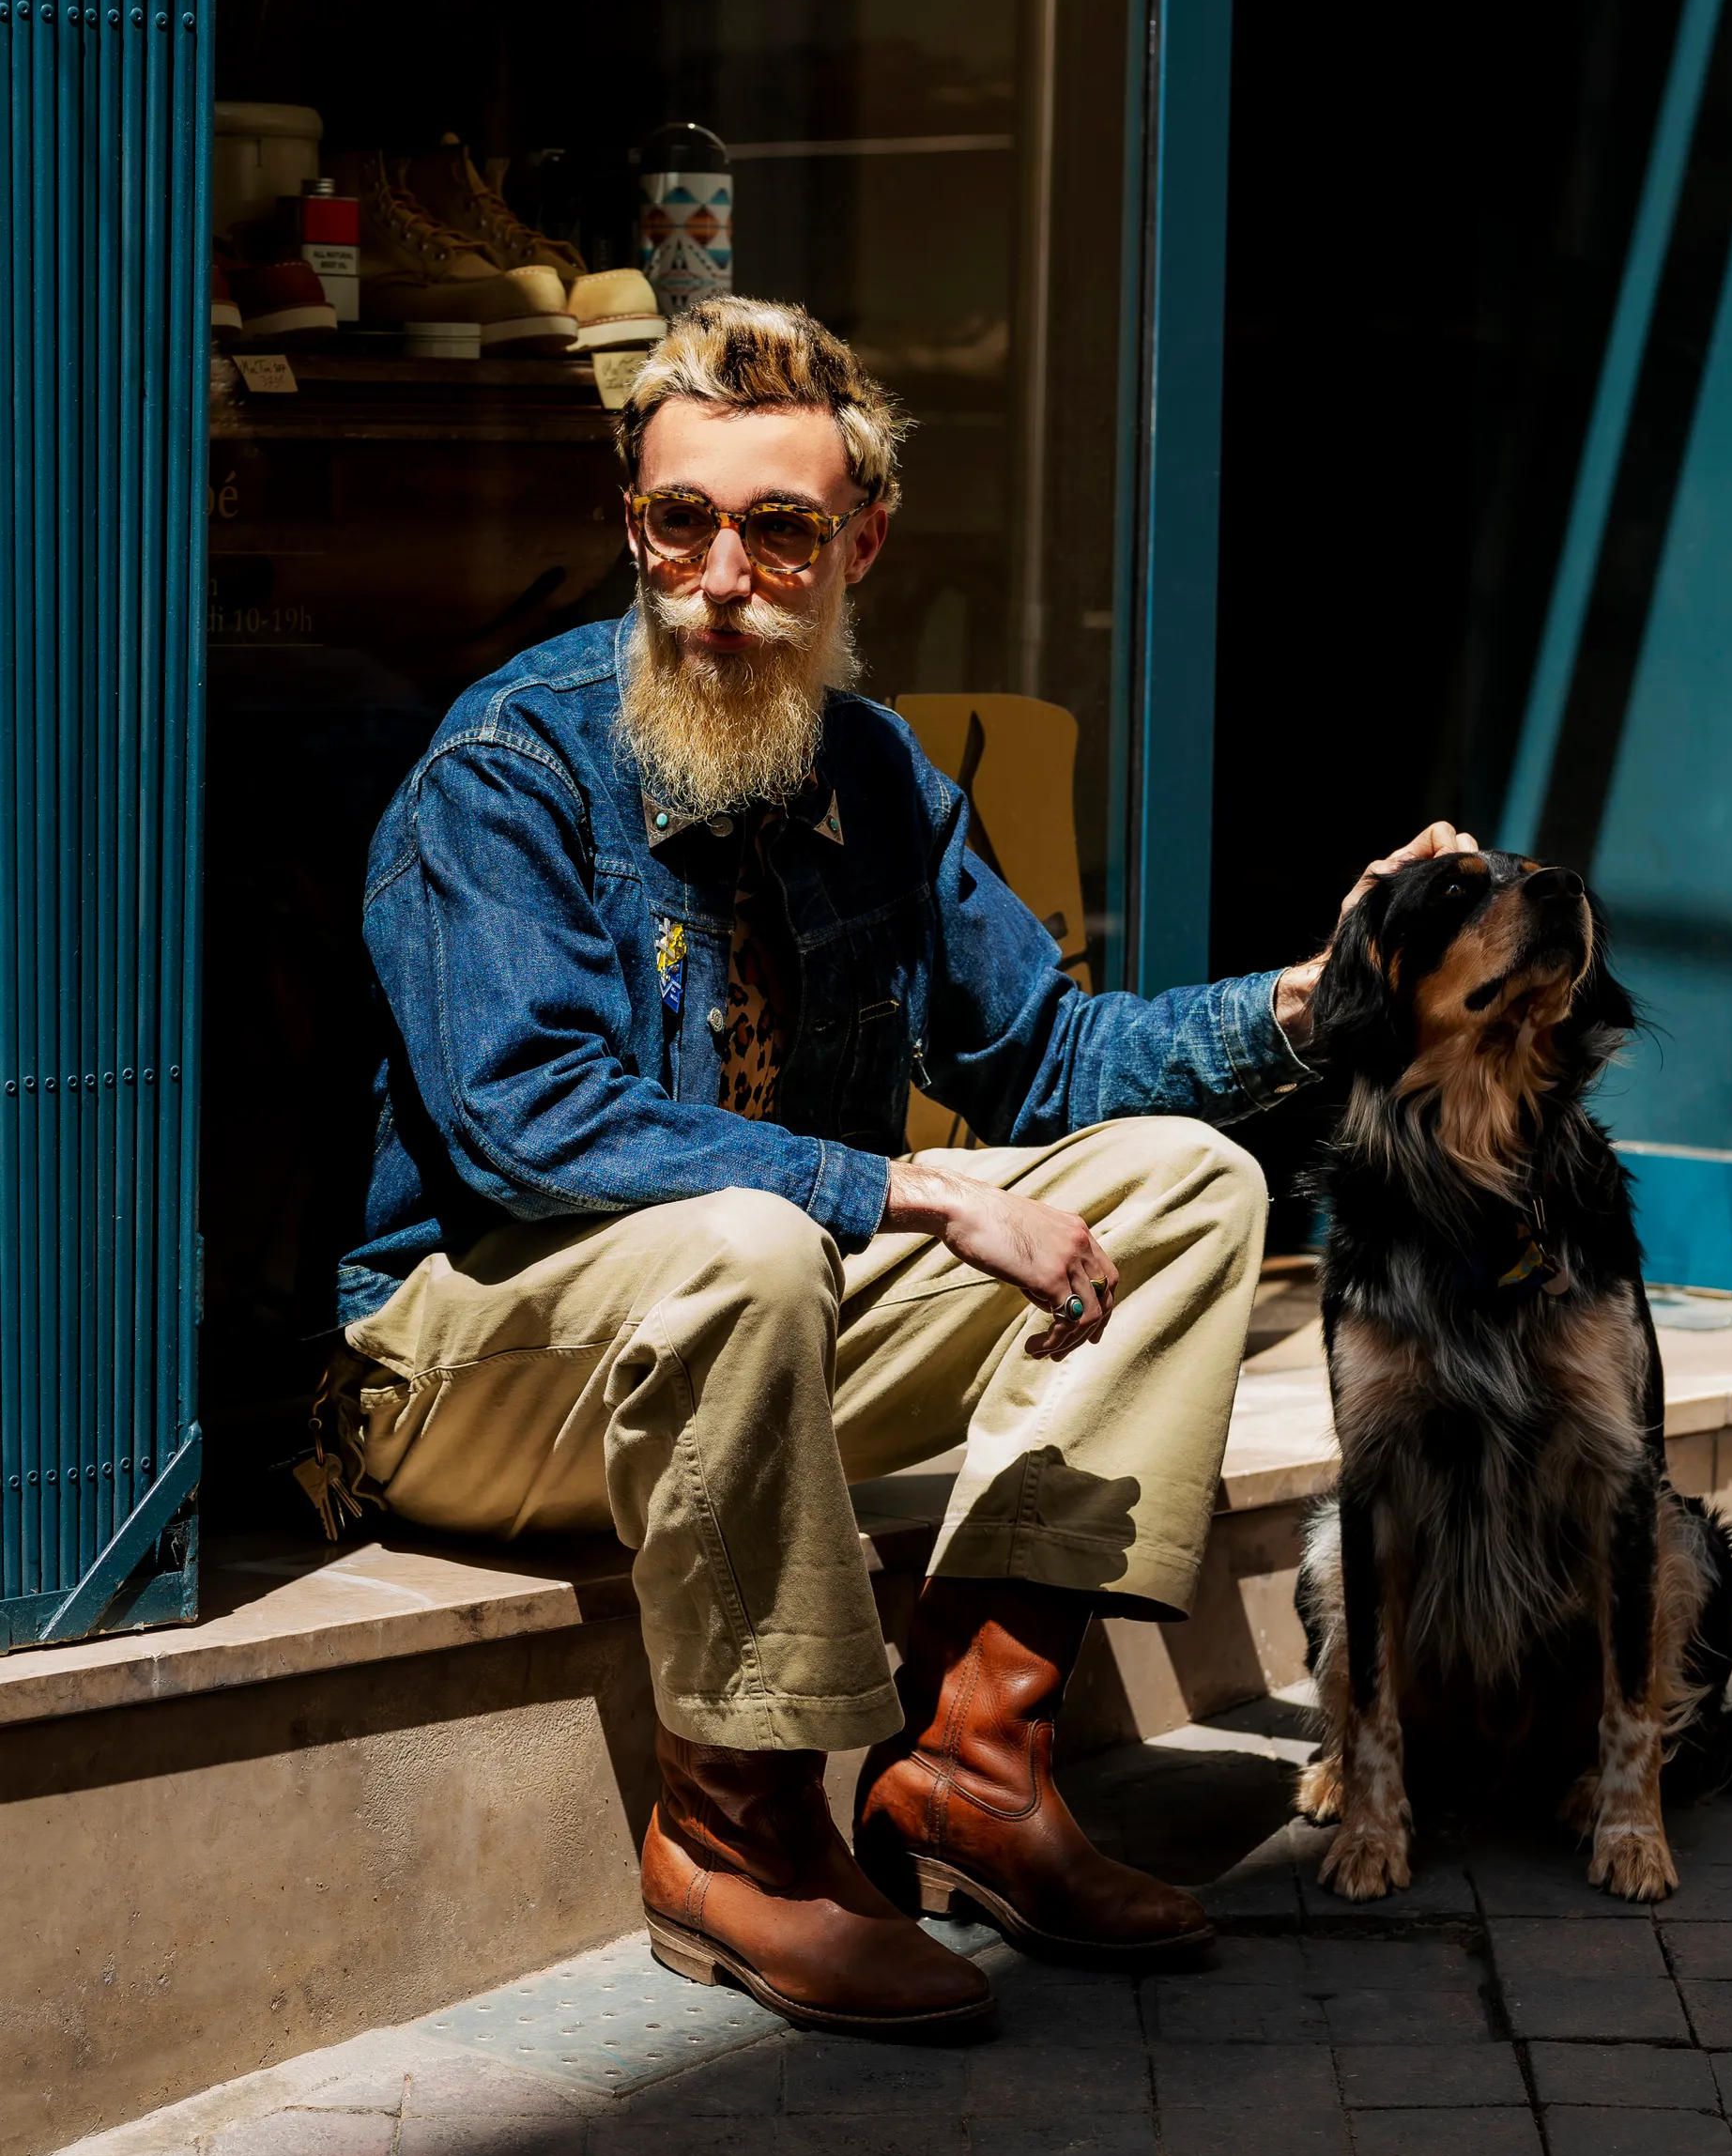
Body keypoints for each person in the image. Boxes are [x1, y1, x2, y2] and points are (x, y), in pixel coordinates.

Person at [324, 294, 1477, 2040]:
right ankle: (740, 1831)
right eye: (678, 522)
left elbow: (1055, 1059)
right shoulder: (510, 765)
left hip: (741, 1337)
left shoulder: (872, 771)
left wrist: (1316, 997)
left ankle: (971, 1767)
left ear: (858, 541)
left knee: (1180, 1186)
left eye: (778, 531)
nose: (721, 575)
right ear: (631, 525)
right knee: (749, 1236)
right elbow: (526, 1115)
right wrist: (912, 1189)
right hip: (469, 1364)